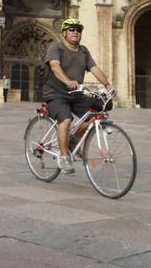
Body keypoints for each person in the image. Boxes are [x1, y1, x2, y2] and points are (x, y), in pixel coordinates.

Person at [42, 19, 113, 174]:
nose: (75, 32)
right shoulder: (56, 47)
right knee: (66, 120)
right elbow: (55, 66)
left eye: (78, 30)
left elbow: (94, 69)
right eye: (71, 29)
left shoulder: (83, 51)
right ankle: (63, 157)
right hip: (55, 92)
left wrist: (108, 85)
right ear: (64, 33)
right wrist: (67, 81)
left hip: (76, 94)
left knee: (95, 117)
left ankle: (72, 140)